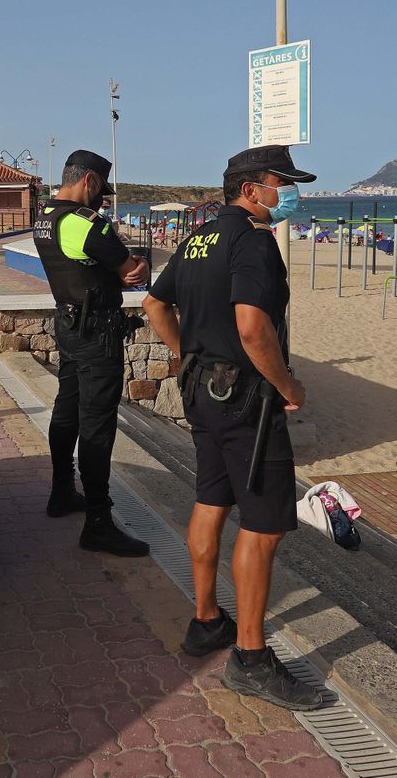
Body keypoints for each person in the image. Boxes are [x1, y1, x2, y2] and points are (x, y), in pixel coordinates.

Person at [142, 143, 323, 711]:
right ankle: (249, 657)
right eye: (282, 182)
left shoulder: (197, 237)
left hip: (201, 393)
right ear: (251, 189)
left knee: (212, 497)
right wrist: (288, 386)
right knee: (264, 525)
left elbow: (154, 305)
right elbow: (251, 327)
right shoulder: (252, 241)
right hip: (248, 401)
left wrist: (186, 357)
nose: (288, 193)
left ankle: (206, 620)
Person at [35, 149, 150, 557]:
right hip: (97, 332)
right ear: (90, 182)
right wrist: (135, 268)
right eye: (102, 193)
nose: (103, 202)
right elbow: (131, 270)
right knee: (97, 424)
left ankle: (62, 490)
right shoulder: (86, 224)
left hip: (67, 326)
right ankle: (99, 521)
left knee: (66, 410)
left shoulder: (45, 218)